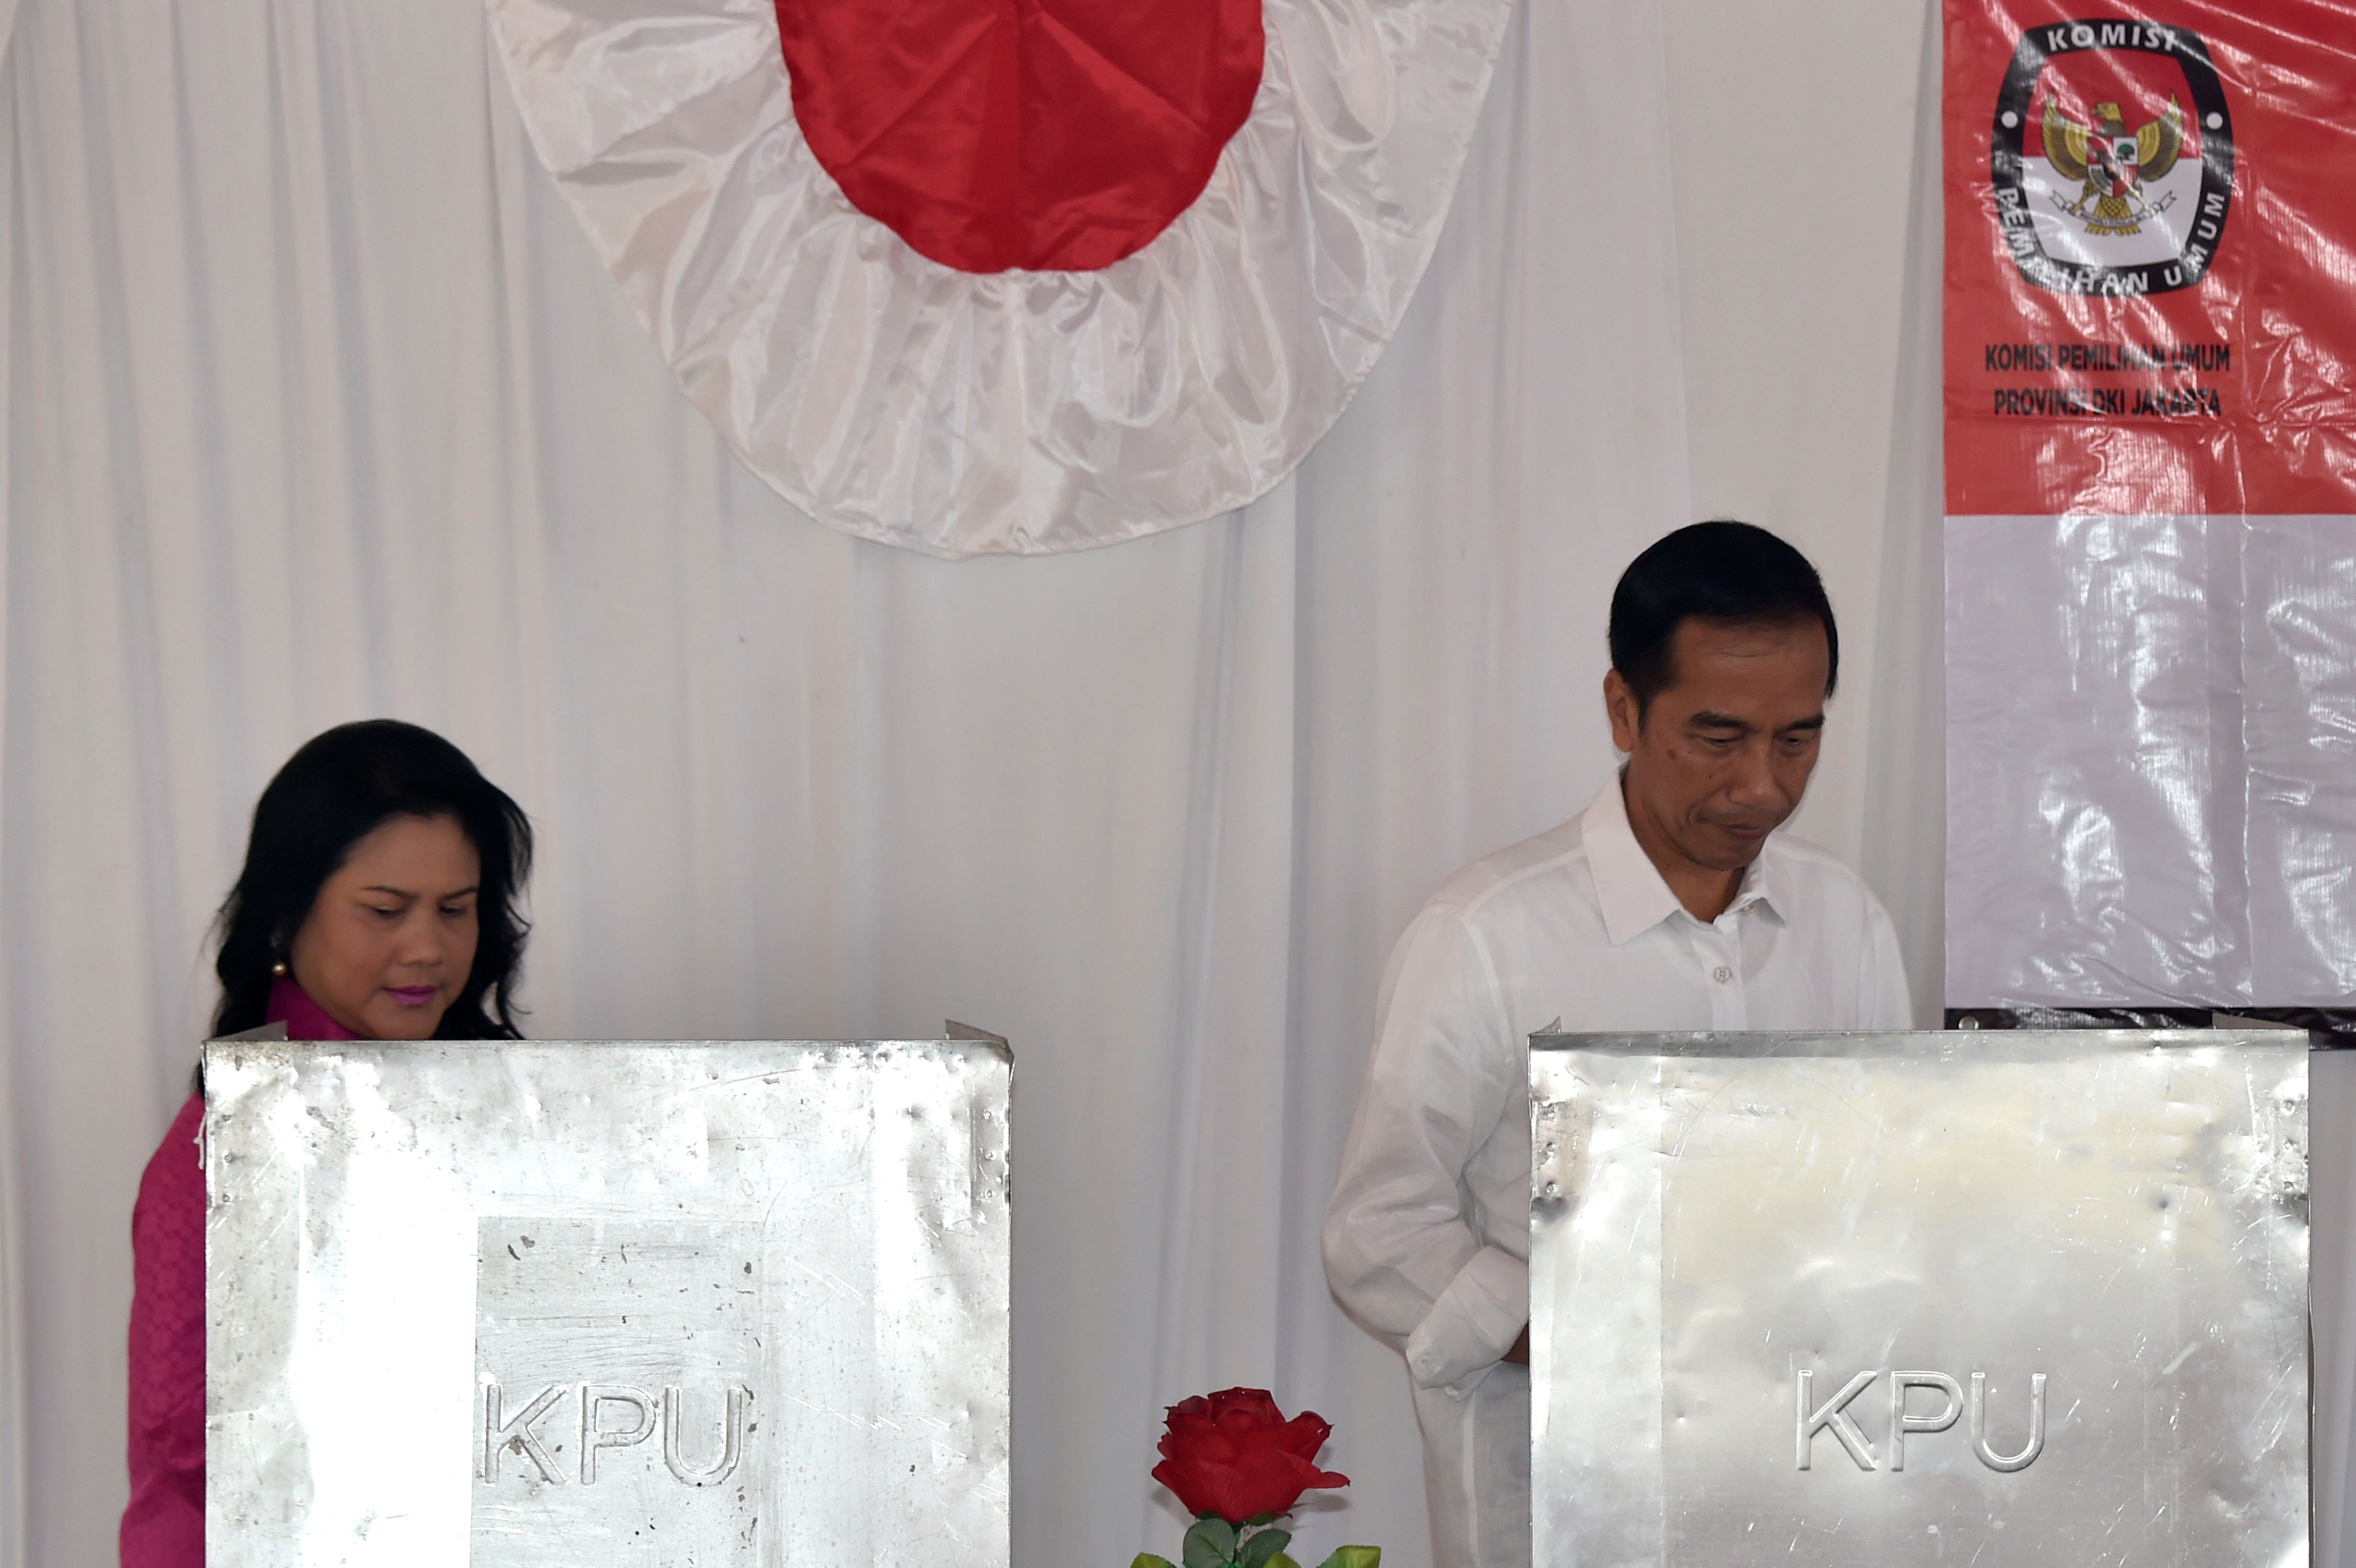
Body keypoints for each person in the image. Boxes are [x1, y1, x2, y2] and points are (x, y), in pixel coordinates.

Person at [1320, 521, 1910, 1568]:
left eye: (1797, 739)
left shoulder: (1847, 921)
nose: (1763, 788)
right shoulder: (1487, 932)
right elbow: (1376, 1231)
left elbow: (1889, 1202)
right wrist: (1588, 1340)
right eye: (1719, 738)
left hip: (1800, 1507)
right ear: (1622, 709)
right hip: (1552, 1519)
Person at [121, 720, 533, 1567]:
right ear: (284, 914)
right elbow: (190, 1440)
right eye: (385, 911)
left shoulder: (489, 1107)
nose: (428, 949)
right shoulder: (224, 1142)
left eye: (456, 910)